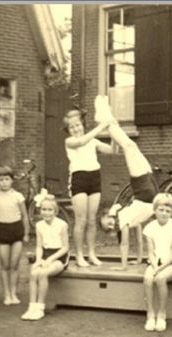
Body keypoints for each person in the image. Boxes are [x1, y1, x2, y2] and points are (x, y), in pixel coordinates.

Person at [97, 96, 158, 269]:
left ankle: (106, 118)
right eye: (109, 226)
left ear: (110, 214)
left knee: (129, 146)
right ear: (112, 233)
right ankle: (108, 120)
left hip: (144, 190)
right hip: (150, 187)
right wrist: (137, 260)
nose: (111, 223)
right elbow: (136, 239)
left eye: (108, 220)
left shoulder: (123, 217)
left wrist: (124, 266)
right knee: (130, 146)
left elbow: (127, 244)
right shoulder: (127, 222)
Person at [64, 109, 114, 267]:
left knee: (92, 220)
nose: (75, 129)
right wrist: (101, 127)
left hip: (94, 178)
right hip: (79, 179)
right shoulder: (70, 141)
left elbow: (112, 150)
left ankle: (91, 253)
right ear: (68, 130)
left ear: (83, 125)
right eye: (72, 127)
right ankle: (79, 255)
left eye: (77, 125)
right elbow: (81, 142)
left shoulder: (93, 141)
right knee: (81, 220)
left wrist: (113, 130)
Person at [21, 192, 70, 321]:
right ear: (40, 210)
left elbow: (65, 248)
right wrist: (38, 260)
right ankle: (32, 307)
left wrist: (49, 260)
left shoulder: (62, 225)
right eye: (44, 209)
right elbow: (39, 246)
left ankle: (40, 308)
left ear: (55, 211)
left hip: (59, 256)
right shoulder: (39, 225)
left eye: (50, 210)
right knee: (33, 272)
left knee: (43, 273)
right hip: (45, 254)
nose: (46, 213)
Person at [142, 193, 172, 332]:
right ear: (155, 210)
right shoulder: (149, 227)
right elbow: (150, 252)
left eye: (168, 211)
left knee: (160, 278)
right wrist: (155, 266)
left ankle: (161, 314)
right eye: (161, 210)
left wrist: (160, 269)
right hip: (155, 261)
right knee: (147, 278)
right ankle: (150, 314)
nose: (164, 213)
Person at [0, 166, 30, 305]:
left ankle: (13, 293)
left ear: (12, 180)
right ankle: (6, 294)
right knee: (4, 264)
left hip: (16, 229)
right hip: (3, 229)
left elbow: (25, 216)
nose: (4, 182)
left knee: (14, 264)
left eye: (7, 179)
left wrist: (26, 233)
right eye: (1, 180)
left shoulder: (18, 196)